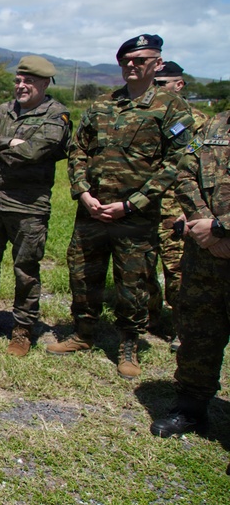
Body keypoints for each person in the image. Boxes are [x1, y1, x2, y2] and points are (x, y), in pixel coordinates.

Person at [47, 34, 196, 379]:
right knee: (83, 274)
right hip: (92, 210)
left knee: (133, 282)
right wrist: (83, 192)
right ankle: (83, 333)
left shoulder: (172, 108)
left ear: (157, 63)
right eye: (127, 58)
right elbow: (78, 151)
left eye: (141, 59)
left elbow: (178, 162)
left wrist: (132, 204)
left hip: (136, 216)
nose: (133, 64)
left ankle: (129, 345)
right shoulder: (102, 105)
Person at [0, 56, 72, 356]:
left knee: (26, 269)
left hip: (27, 207)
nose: (21, 86)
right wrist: (12, 142)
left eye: (28, 81)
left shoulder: (56, 114)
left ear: (44, 83)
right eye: (18, 81)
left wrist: (1, 140)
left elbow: (36, 151)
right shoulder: (4, 109)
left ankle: (22, 330)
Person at [149, 109, 230, 440]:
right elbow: (185, 173)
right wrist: (204, 227)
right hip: (205, 253)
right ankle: (191, 408)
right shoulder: (215, 124)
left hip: (217, 233)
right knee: (199, 331)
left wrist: (223, 228)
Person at [145, 60, 208, 350]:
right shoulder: (146, 114)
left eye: (161, 84)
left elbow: (205, 171)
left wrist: (193, 209)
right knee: (142, 268)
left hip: (177, 206)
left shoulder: (200, 122)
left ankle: (184, 329)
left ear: (178, 85)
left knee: (178, 269)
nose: (155, 89)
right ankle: (148, 318)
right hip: (145, 203)